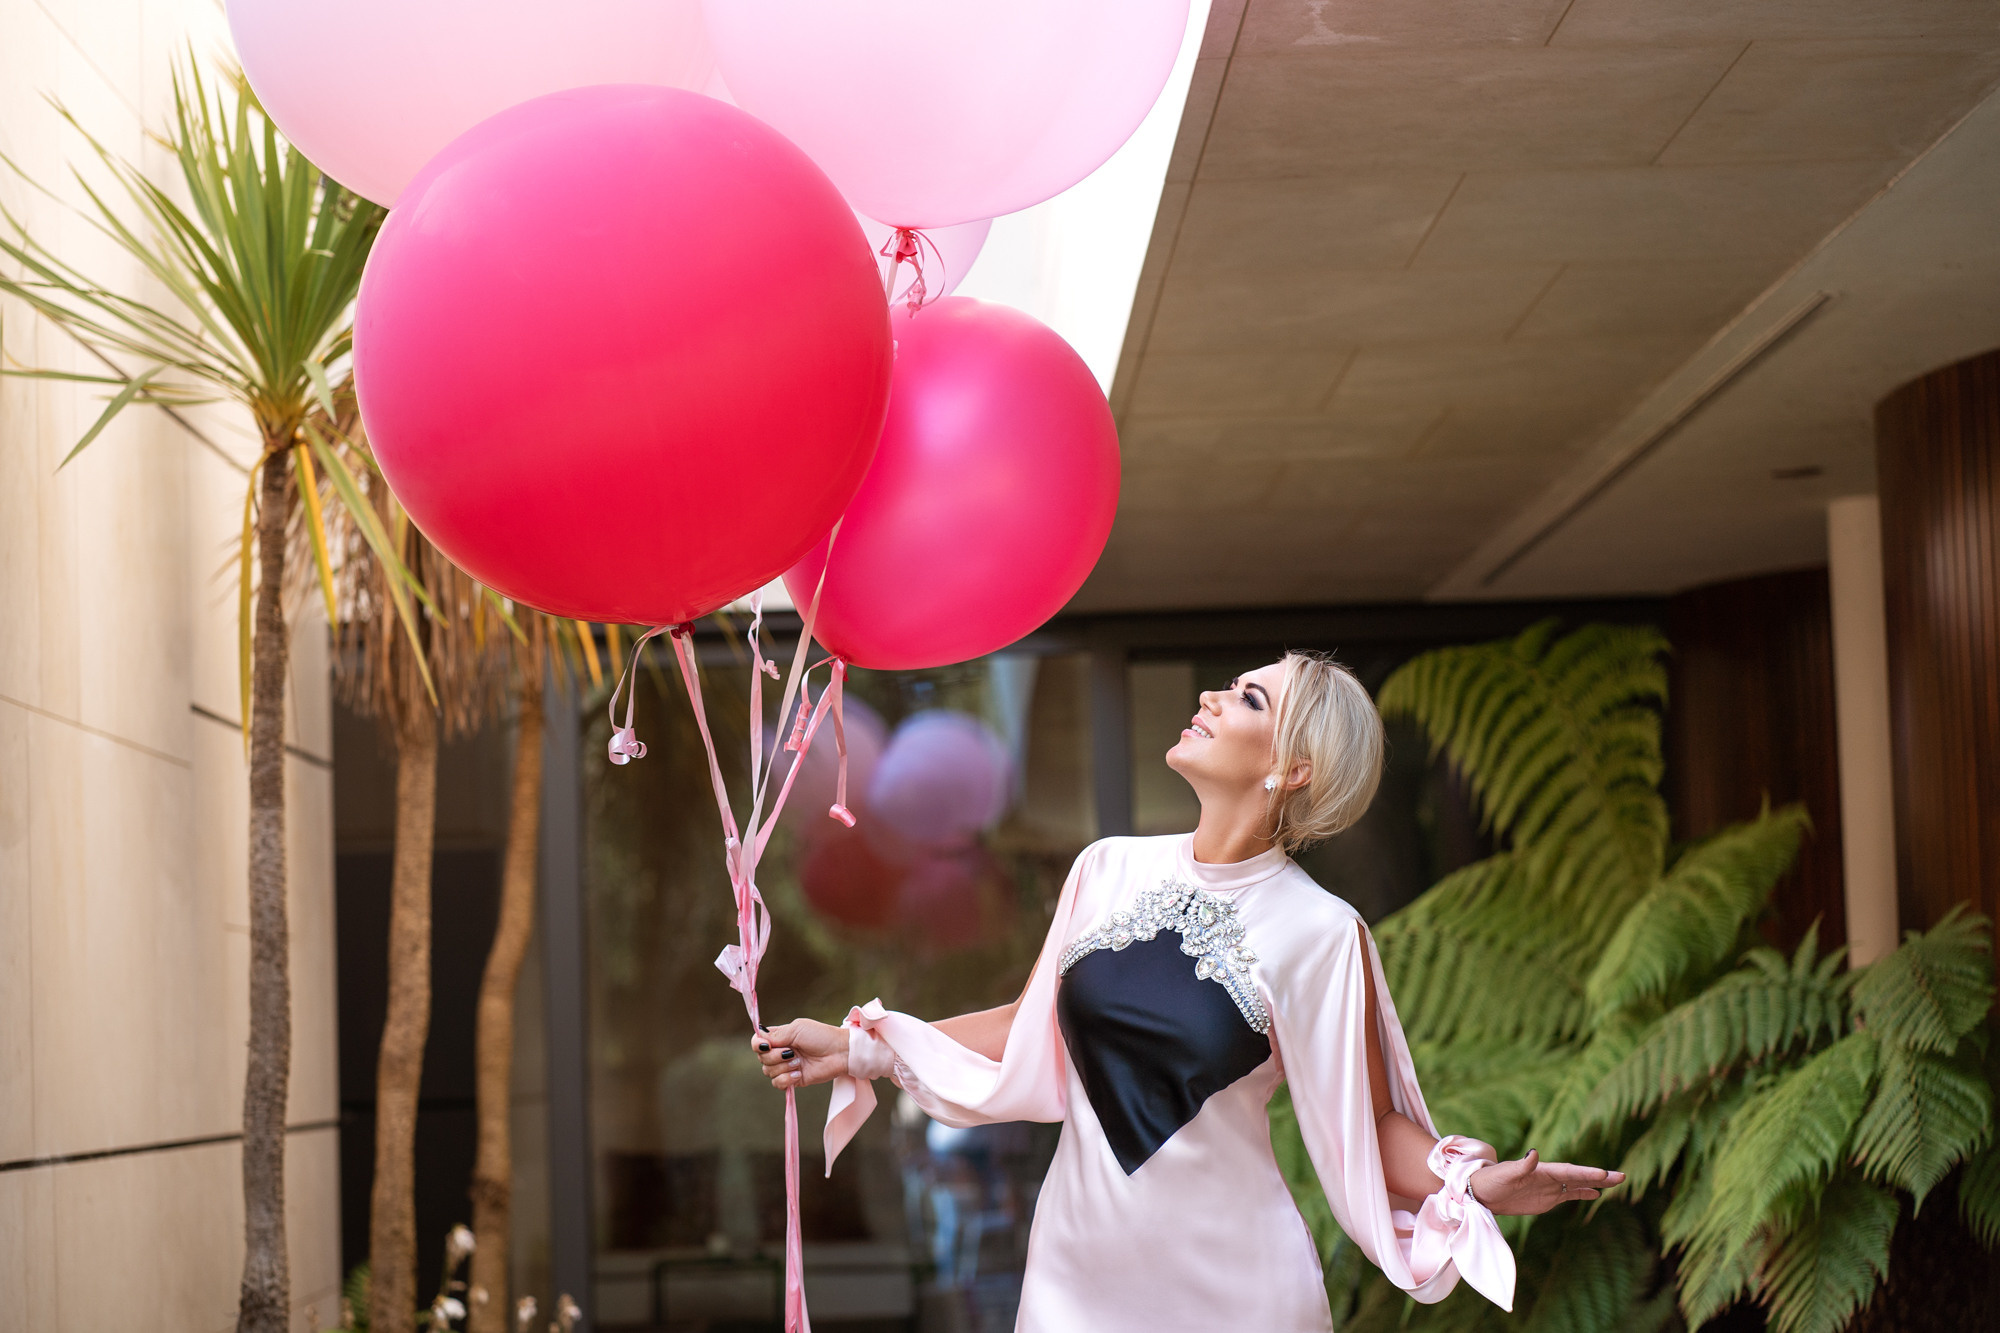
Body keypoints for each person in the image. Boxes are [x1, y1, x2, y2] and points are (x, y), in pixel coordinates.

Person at [754, 653, 1623, 1330]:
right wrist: (859, 1043)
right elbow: (1029, 1031)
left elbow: (1367, 1123)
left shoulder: (1321, 934)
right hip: (1072, 1281)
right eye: (1230, 685)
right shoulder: (1105, 868)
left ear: (1294, 769)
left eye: (1249, 700)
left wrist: (1466, 1183)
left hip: (1236, 1296)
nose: (1213, 697)